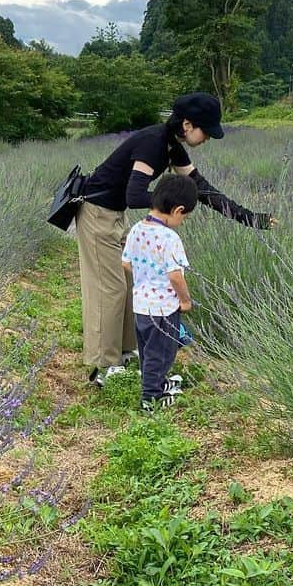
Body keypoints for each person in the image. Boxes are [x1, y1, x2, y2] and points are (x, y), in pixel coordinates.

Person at [76, 92, 273, 386]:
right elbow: (134, 195)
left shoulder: (171, 146)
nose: (207, 138)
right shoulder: (153, 144)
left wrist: (249, 218)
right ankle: (102, 367)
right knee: (110, 289)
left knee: (129, 283)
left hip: (113, 216)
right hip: (96, 214)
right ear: (187, 124)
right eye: (205, 131)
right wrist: (170, 201)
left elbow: (202, 189)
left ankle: (124, 352)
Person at [121, 175, 198, 411]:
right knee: (162, 353)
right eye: (185, 217)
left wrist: (146, 278)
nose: (183, 222)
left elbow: (126, 263)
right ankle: (150, 398)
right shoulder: (170, 238)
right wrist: (185, 300)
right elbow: (175, 276)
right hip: (164, 308)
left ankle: (155, 383)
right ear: (178, 210)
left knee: (147, 351)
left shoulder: (136, 229)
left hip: (141, 305)